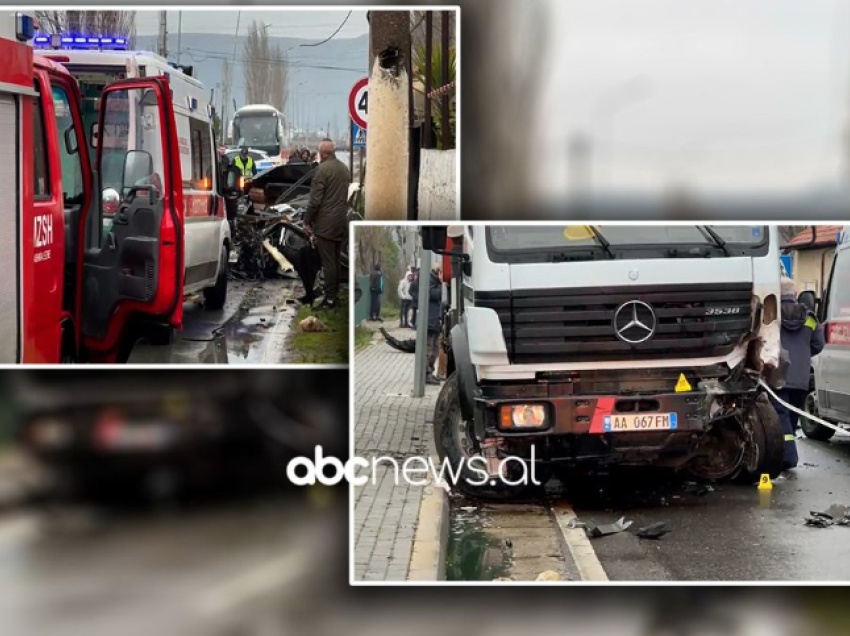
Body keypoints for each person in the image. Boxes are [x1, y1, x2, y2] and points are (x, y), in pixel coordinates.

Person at [772, 276, 825, 470]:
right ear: (794, 294)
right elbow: (818, 344)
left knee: (780, 415)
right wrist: (802, 355)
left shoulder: (772, 315)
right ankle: (787, 453)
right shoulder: (810, 317)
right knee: (792, 415)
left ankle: (788, 457)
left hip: (777, 374)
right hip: (801, 376)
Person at [303, 139, 350, 309]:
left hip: (326, 224)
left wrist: (307, 221)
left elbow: (315, 201)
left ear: (322, 153)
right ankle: (334, 296)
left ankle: (329, 299)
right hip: (341, 222)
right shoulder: (344, 169)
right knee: (336, 261)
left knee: (328, 262)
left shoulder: (321, 171)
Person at [425, 264, 444, 385]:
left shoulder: (435, 282)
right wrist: (442, 284)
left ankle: (430, 371)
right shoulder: (429, 280)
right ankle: (425, 374)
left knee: (436, 349)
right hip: (430, 320)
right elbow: (434, 295)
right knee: (428, 350)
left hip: (436, 321)